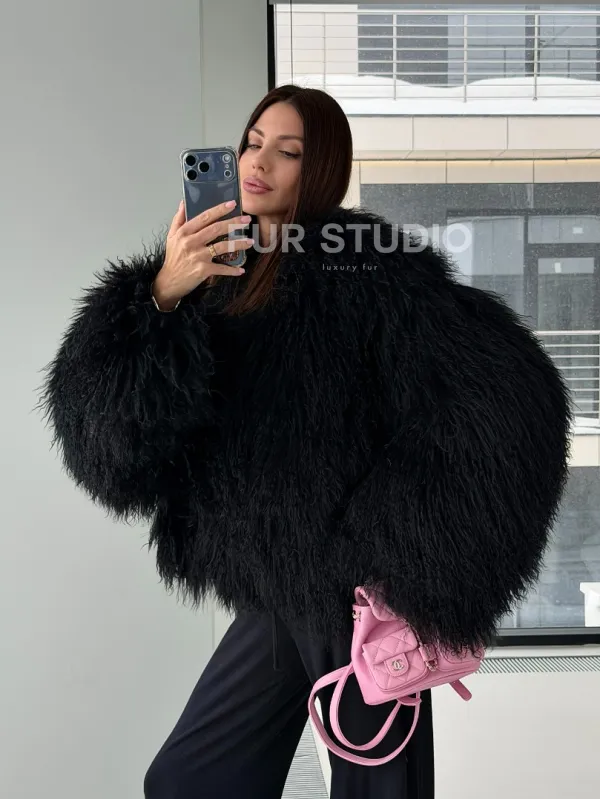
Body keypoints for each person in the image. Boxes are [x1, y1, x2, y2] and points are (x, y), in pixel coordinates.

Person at [39, 85, 571, 799]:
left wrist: (393, 544)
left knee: (377, 787)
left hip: (357, 596)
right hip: (274, 582)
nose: (258, 163)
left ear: (318, 170)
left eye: (287, 152)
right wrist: (163, 290)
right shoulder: (214, 268)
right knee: (189, 779)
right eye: (252, 143)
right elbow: (113, 432)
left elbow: (506, 393)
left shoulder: (367, 270)